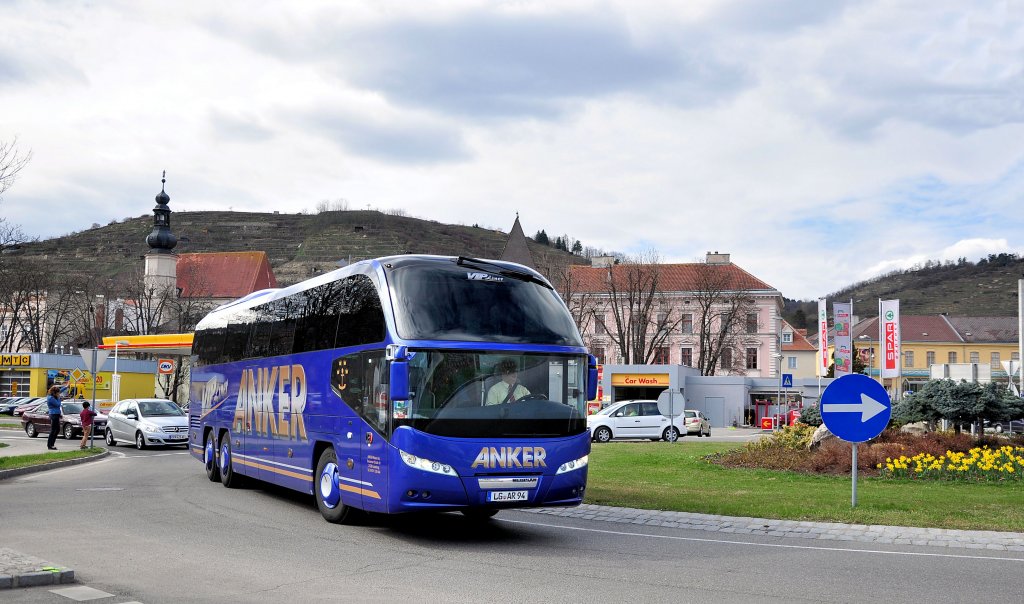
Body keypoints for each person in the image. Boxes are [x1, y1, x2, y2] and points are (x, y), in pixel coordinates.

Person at [45, 385, 62, 450]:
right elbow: (58, 404)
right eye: (58, 393)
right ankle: (50, 445)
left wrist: (66, 387)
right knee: (53, 430)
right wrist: (58, 398)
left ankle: (52, 444)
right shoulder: (51, 398)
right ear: (55, 392)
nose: (59, 394)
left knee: (57, 429)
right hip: (53, 414)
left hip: (56, 414)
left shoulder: (53, 396)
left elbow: (60, 391)